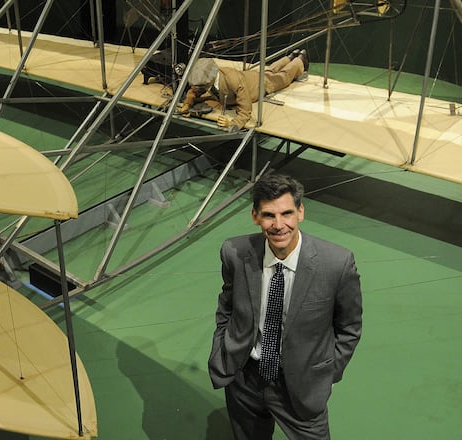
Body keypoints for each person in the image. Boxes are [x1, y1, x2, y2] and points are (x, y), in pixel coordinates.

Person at [207, 173, 362, 439]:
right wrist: (225, 349)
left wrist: (325, 373)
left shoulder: (336, 263)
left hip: (301, 386)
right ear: (255, 216)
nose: (279, 225)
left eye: (287, 213)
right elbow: (227, 306)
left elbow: (349, 327)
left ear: (300, 212)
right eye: (268, 215)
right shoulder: (234, 252)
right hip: (245, 380)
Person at [179, 51, 308, 132]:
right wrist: (187, 103)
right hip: (249, 77)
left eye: (202, 85)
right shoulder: (207, 79)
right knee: (268, 72)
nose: (199, 88)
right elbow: (194, 91)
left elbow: (245, 110)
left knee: (283, 78)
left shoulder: (232, 80)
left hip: (260, 85)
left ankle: (299, 60)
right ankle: (289, 57)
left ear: (210, 80)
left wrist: (232, 123)